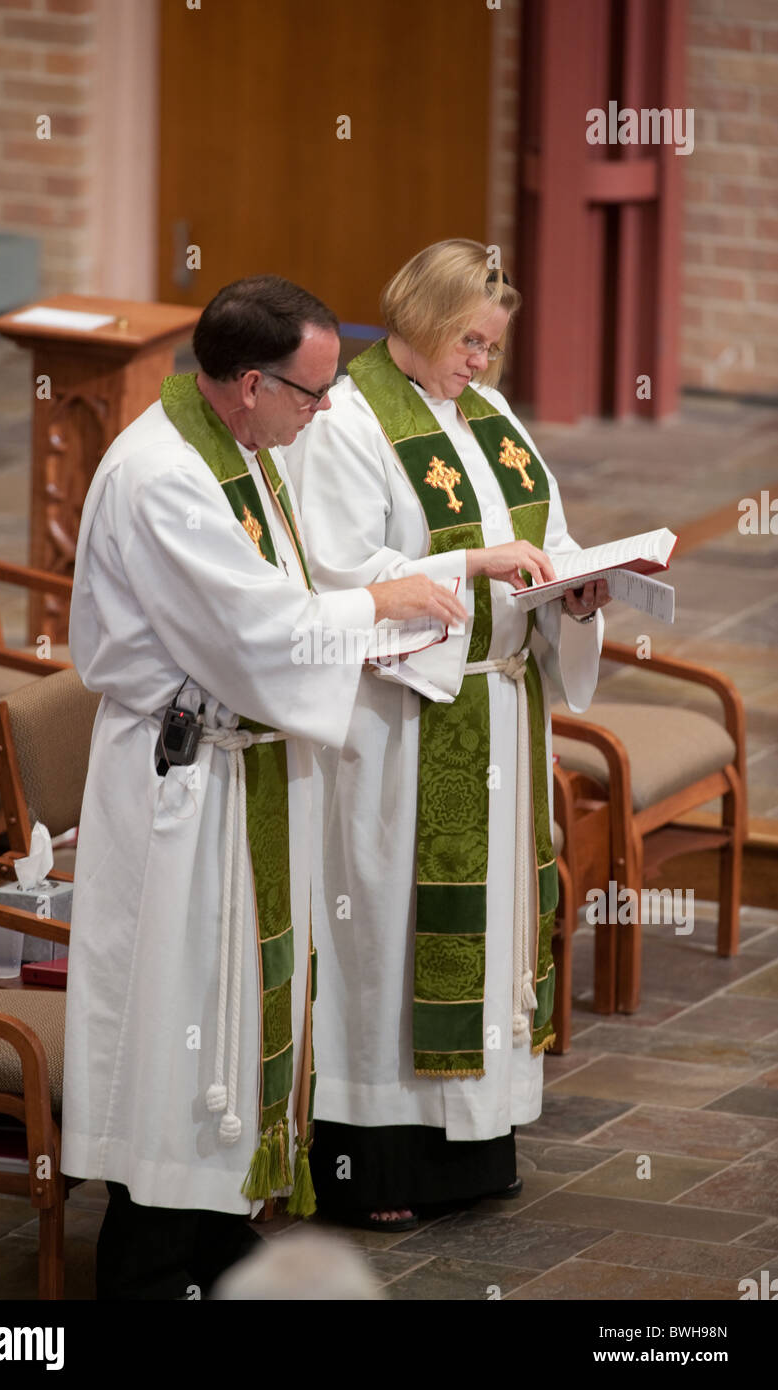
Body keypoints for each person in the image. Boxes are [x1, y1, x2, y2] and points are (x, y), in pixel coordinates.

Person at [60, 274, 468, 1298]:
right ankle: (149, 1251)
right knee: (174, 1012)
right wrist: (376, 603)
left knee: (237, 1010)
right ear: (248, 384)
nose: (323, 412)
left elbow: (283, 601)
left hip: (243, 776)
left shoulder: (240, 448)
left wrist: (371, 617)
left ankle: (210, 1222)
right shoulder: (164, 475)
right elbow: (257, 631)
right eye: (310, 393)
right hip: (181, 793)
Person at [285, 239, 610, 1229]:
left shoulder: (488, 415)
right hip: (403, 718)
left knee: (491, 925)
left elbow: (543, 536)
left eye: (492, 346)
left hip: (497, 706)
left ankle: (470, 1147)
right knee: (387, 929)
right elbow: (340, 573)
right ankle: (373, 1161)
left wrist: (576, 584)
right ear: (419, 321)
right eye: (468, 339)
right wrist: (476, 564)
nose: (481, 362)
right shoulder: (344, 419)